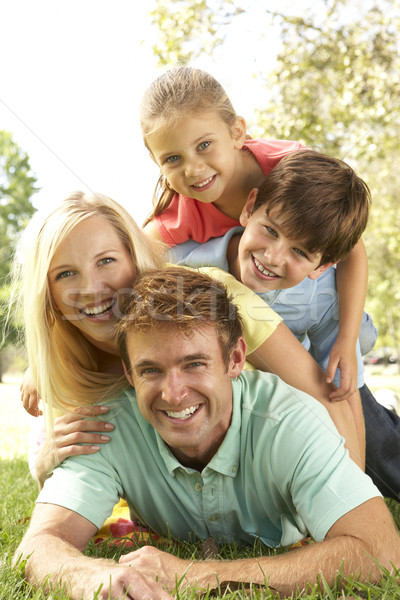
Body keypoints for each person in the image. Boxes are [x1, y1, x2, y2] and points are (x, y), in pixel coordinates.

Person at [14, 267, 400, 600]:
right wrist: (92, 576)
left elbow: (381, 551)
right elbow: (38, 547)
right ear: (129, 374)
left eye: (194, 363)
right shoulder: (106, 424)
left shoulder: (290, 422)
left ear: (234, 360)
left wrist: (195, 574)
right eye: (151, 370)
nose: (173, 393)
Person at [15, 190, 361, 488]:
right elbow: (75, 483)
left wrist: (353, 496)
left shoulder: (214, 295)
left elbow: (325, 401)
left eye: (106, 261)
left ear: (134, 257)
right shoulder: (69, 373)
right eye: (65, 274)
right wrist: (45, 460)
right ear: (48, 296)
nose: (91, 289)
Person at [169, 149, 400, 500]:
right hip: (247, 391)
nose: (273, 257)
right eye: (270, 230)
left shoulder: (323, 294)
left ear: (322, 265)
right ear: (249, 209)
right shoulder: (185, 263)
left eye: (301, 253)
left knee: (381, 457)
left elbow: (341, 393)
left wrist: (355, 497)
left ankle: (383, 403)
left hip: (304, 374)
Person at [140, 66, 369, 398]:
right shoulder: (180, 213)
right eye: (173, 158)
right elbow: (121, 260)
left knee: (357, 403)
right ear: (155, 160)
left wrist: (346, 341)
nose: (193, 169)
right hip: (270, 314)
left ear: (236, 132)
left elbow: (352, 251)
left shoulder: (290, 170)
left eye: (204, 144)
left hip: (329, 309)